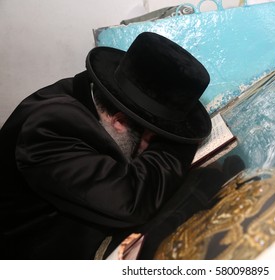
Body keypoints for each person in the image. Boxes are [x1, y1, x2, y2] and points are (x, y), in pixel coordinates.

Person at [0, 32, 212, 259]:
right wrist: (179, 140)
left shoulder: (89, 96)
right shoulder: (49, 128)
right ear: (120, 122)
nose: (148, 148)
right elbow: (131, 201)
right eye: (152, 138)